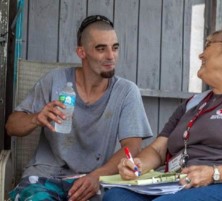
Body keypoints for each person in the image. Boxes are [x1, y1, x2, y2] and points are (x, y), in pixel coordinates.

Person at [102, 25, 222, 201]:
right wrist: (138, 165)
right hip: (180, 182)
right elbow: (157, 150)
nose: (200, 55)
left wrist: (214, 173)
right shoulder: (193, 103)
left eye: (209, 45)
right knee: (116, 196)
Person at [5, 15, 153, 201]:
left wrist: (97, 176)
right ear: (81, 52)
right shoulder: (55, 81)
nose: (111, 56)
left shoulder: (126, 91)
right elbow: (11, 127)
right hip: (44, 176)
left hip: (92, 180)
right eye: (101, 49)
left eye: (115, 48)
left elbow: (132, 147)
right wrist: (35, 118)